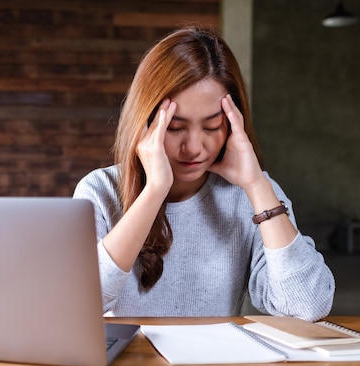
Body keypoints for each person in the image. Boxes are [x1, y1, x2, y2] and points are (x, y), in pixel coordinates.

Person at [73, 27, 335, 320]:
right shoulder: (99, 191)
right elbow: (78, 306)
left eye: (211, 126)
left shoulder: (253, 194)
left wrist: (256, 184)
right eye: (175, 127)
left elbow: (306, 306)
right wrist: (155, 191)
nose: (194, 148)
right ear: (143, 122)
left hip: (215, 364)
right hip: (130, 365)